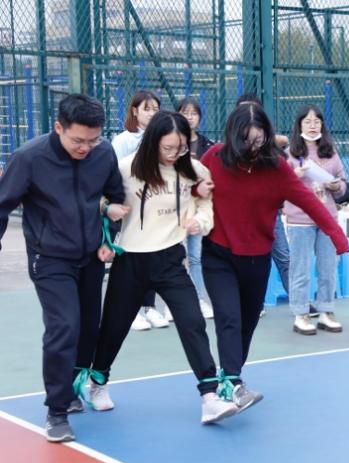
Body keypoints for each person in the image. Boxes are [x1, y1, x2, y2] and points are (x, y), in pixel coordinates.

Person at [87, 111, 239, 424]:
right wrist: (107, 215)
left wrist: (200, 221)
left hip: (170, 259)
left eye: (180, 148)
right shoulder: (126, 168)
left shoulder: (192, 169)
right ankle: (97, 381)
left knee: (192, 321)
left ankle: (209, 397)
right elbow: (97, 198)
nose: (173, 154)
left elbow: (205, 202)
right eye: (167, 148)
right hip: (131, 260)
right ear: (152, 142)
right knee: (113, 328)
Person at [199, 103, 349, 402]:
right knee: (229, 318)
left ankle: (230, 375)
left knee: (247, 322)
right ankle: (232, 383)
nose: (252, 147)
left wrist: (337, 236)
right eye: (245, 140)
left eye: (258, 140)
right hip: (218, 254)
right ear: (233, 136)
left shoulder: (277, 168)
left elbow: (309, 201)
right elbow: (187, 183)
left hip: (257, 258)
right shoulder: (213, 157)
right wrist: (195, 190)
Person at [0, 94, 128, 442]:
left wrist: (109, 235)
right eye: (78, 140)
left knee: (88, 328)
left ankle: (72, 388)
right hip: (49, 257)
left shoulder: (103, 154)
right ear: (59, 127)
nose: (86, 147)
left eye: (93, 140)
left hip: (90, 256)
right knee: (64, 327)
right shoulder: (29, 158)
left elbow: (115, 197)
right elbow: (2, 205)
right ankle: (56, 411)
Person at [285, 104, 349, 335]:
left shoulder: (330, 152)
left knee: (328, 267)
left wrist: (336, 186)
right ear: (299, 125)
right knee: (300, 268)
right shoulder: (290, 154)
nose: (312, 126)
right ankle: (301, 313)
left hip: (327, 218)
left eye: (316, 121)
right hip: (300, 219)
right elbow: (281, 185)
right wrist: (295, 175)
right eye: (307, 121)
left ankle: (326, 311)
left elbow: (343, 184)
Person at [112, 90, 168, 330]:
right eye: (147, 108)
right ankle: (131, 311)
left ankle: (149, 307)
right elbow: (116, 174)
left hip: (153, 209)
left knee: (152, 257)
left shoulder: (161, 138)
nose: (152, 113)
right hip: (129, 210)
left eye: (156, 109)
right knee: (130, 261)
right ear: (134, 111)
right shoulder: (123, 140)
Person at [236, 93, 291, 296]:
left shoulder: (268, 144)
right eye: (243, 110)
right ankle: (250, 304)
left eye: (253, 109)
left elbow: (284, 142)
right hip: (240, 218)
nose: (248, 114)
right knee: (246, 262)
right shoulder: (230, 147)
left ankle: (300, 304)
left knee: (284, 258)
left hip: (270, 216)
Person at [176, 97, 215, 320]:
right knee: (176, 260)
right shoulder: (169, 142)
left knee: (195, 258)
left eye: (193, 113)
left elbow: (207, 182)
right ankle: (175, 305)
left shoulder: (207, 145)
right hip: (174, 214)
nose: (189, 117)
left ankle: (199, 299)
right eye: (185, 112)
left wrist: (198, 191)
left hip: (196, 212)